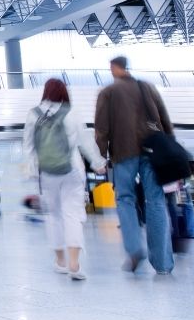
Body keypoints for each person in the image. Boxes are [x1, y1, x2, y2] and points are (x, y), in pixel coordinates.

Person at [95, 55, 175, 275]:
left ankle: (134, 249)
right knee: (156, 200)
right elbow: (164, 119)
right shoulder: (147, 87)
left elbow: (101, 129)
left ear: (115, 68)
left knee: (125, 199)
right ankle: (163, 264)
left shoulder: (108, 92)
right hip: (153, 151)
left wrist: (100, 156)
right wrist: (170, 146)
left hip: (123, 152)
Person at [24, 78, 106, 280]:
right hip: (72, 170)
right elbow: (86, 141)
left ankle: (60, 261)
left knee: (53, 216)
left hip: (46, 173)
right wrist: (97, 162)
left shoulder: (33, 115)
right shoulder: (72, 112)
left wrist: (33, 172)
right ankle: (74, 264)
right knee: (73, 214)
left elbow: (29, 147)